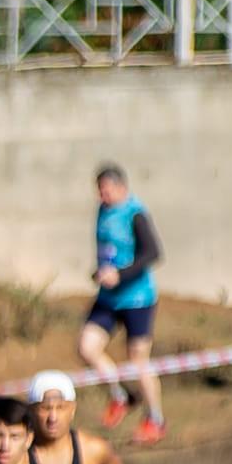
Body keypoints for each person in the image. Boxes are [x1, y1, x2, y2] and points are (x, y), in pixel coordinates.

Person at [80, 165, 166, 444]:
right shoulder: (103, 211)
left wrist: (121, 274)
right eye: (99, 190)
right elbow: (109, 252)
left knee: (138, 360)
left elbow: (153, 252)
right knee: (87, 347)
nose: (102, 195)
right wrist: (100, 272)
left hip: (137, 299)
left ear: (121, 187)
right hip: (108, 298)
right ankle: (120, 396)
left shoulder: (135, 213)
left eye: (107, 190)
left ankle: (156, 419)